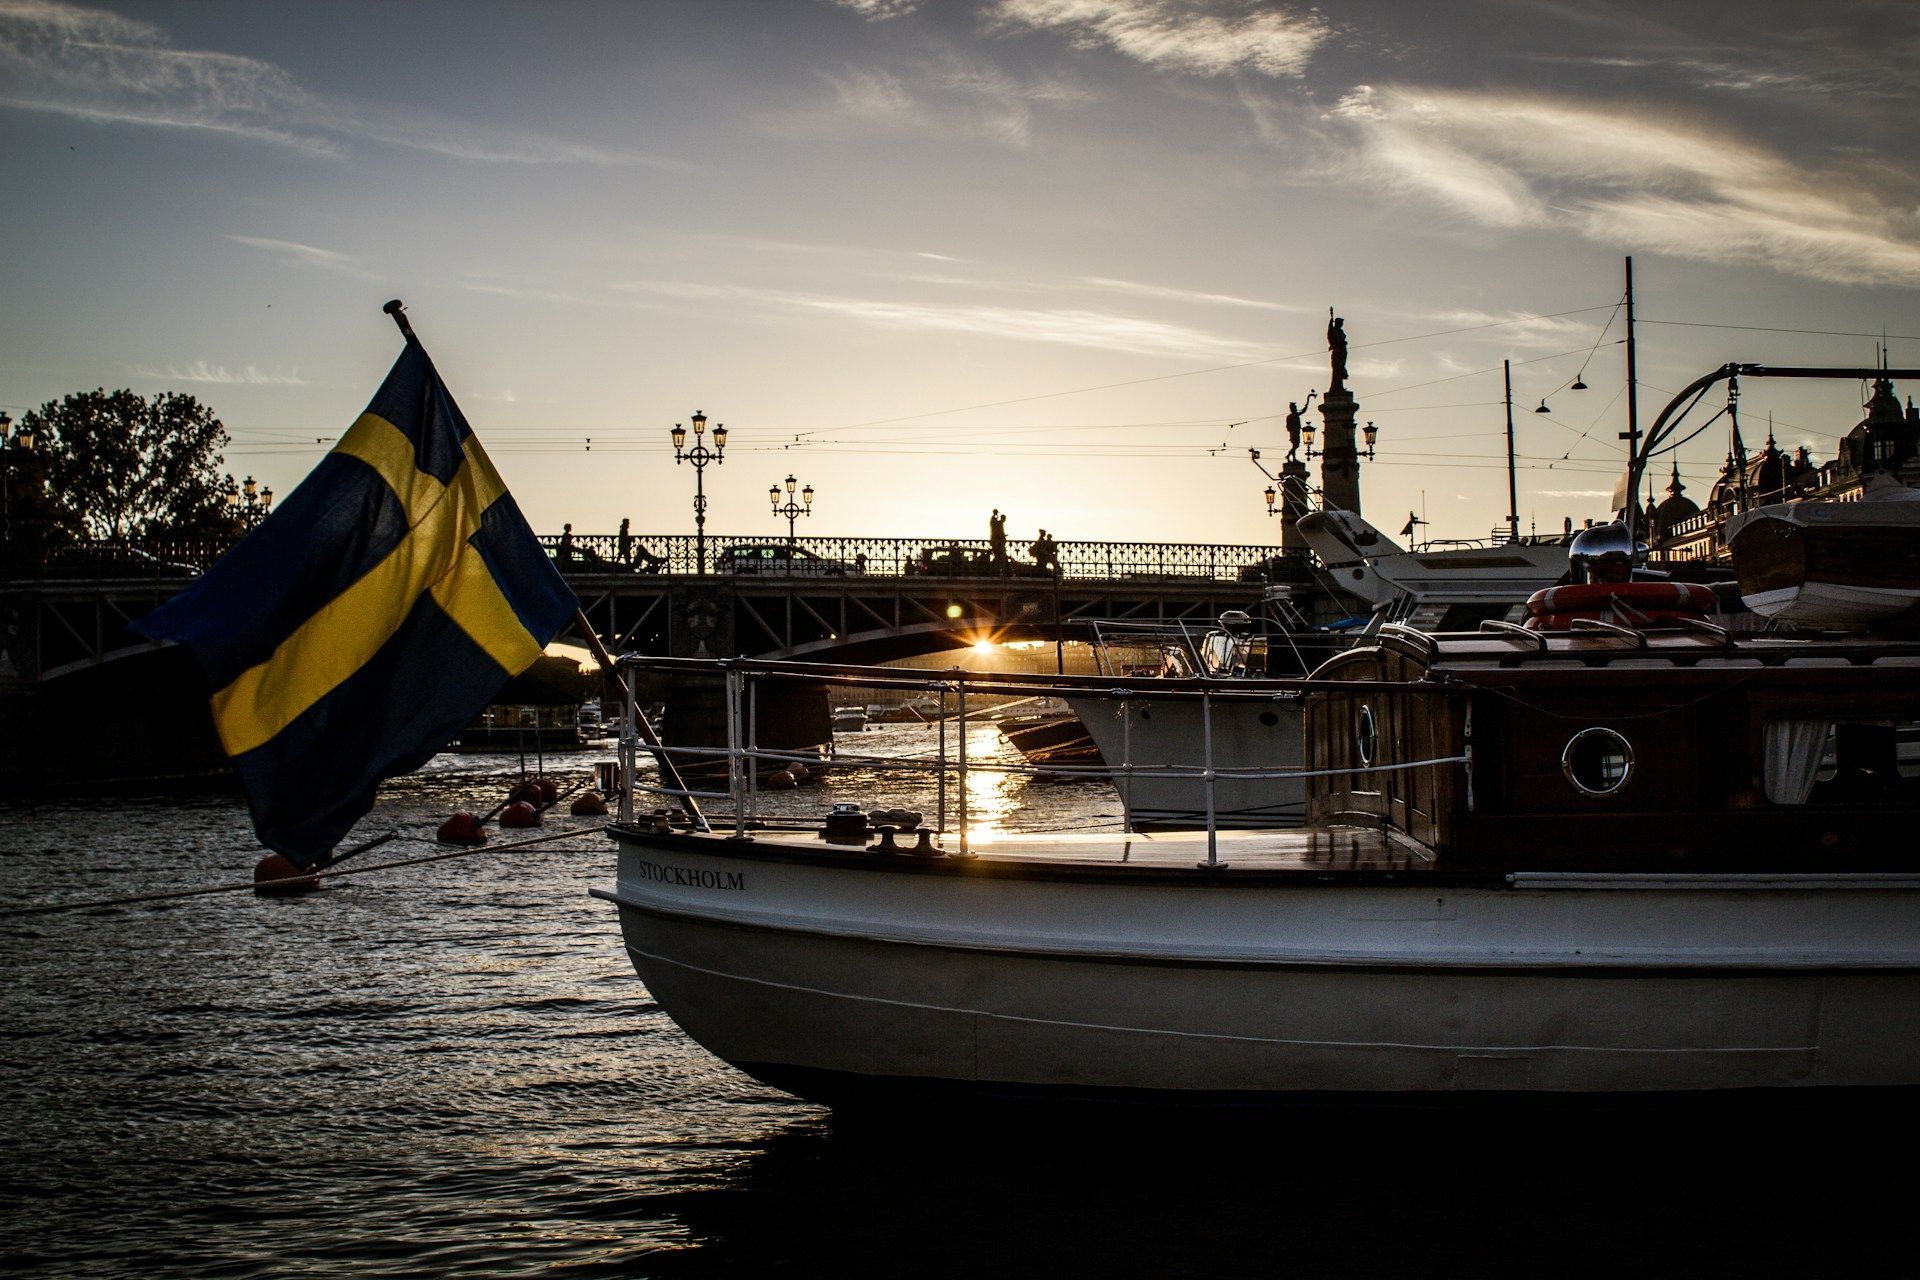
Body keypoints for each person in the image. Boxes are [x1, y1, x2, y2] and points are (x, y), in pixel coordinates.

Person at [1327, 310, 1348, 388]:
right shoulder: (1335, 330)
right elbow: (1335, 339)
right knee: (1337, 369)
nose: (1342, 325)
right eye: (1341, 323)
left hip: (1342, 352)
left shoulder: (1339, 330)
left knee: (1340, 368)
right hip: (1338, 353)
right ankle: (1336, 387)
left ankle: (1339, 386)